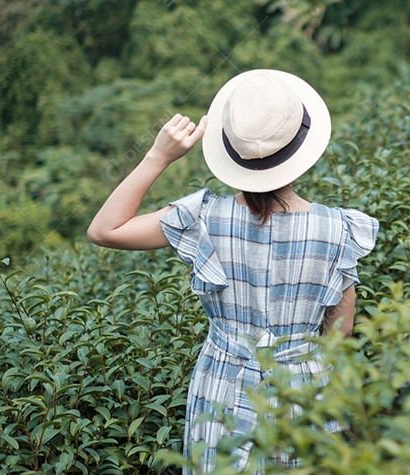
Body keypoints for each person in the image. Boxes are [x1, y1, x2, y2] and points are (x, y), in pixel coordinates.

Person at [87, 69, 378, 472]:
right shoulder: (340, 230)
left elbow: (105, 230)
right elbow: (340, 334)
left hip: (221, 391)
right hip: (307, 396)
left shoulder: (203, 216)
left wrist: (159, 156)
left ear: (232, 152)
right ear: (301, 149)